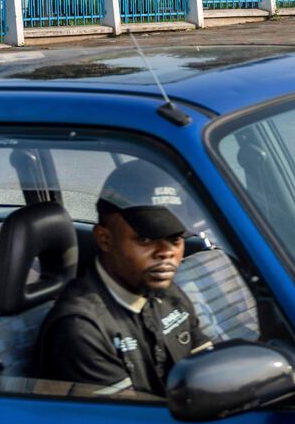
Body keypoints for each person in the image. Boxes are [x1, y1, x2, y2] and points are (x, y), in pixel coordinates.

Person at [36, 164, 212, 399]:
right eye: (146, 239)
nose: (166, 253)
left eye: (175, 238)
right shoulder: (82, 329)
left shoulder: (167, 292)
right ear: (104, 239)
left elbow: (208, 370)